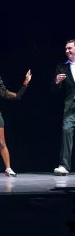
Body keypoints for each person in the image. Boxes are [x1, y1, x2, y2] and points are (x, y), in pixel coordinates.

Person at [53, 39, 75, 175]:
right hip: (70, 107)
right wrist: (56, 82)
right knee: (67, 132)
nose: (67, 51)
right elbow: (55, 90)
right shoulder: (61, 67)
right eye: (66, 49)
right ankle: (64, 166)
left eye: (70, 48)